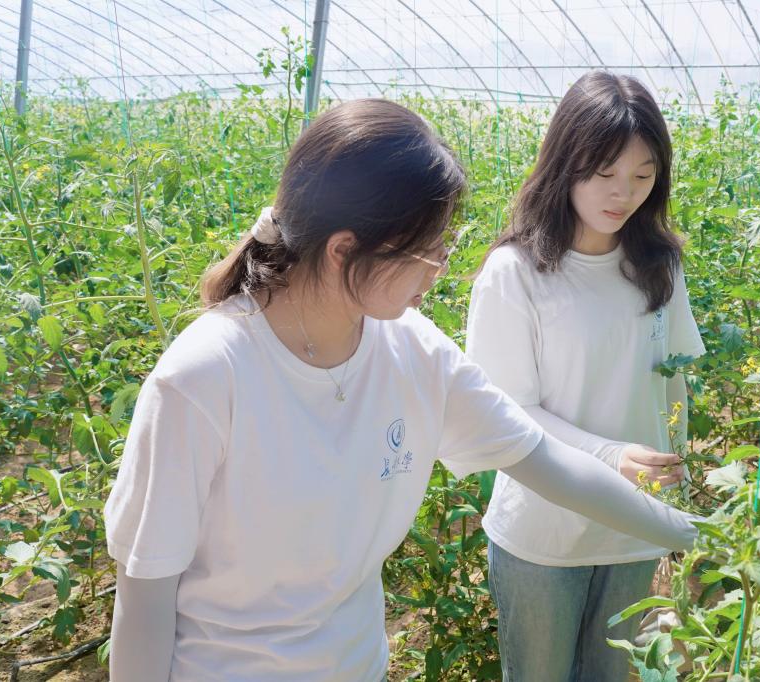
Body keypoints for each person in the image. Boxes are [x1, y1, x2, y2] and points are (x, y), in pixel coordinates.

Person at [104, 98, 702, 682]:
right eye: (428, 249)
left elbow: (549, 465)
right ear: (344, 251)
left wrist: (705, 539)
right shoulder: (204, 378)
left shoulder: (412, 350)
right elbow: (145, 594)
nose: (440, 268)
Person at [466, 72, 707, 681]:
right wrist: (609, 455)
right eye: (605, 172)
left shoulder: (658, 264)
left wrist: (674, 486)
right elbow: (507, 411)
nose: (623, 193)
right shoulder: (516, 272)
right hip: (543, 531)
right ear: (565, 163)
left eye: (643, 175)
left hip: (633, 526)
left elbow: (671, 381)